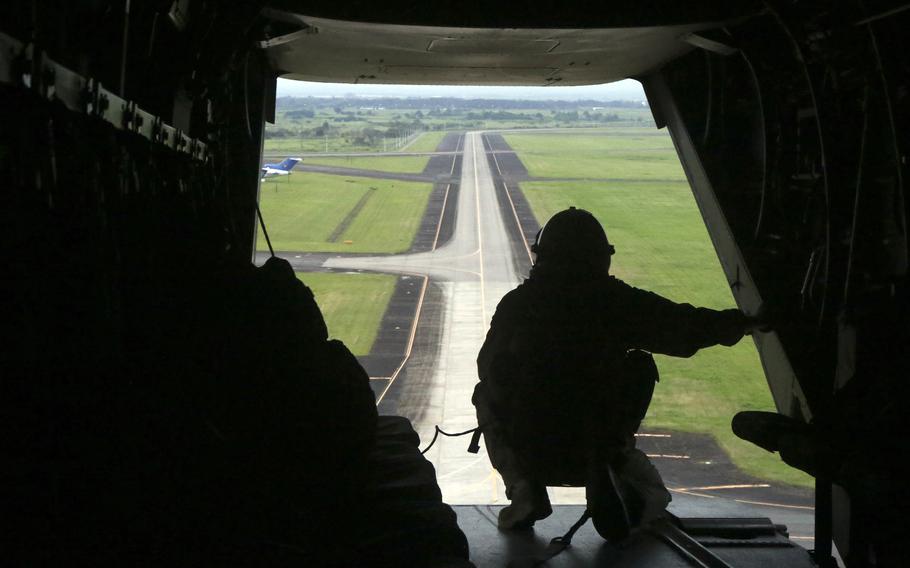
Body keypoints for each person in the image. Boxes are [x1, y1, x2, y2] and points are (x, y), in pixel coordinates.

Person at [473, 207, 762, 541]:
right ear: (601, 258)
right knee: (638, 365)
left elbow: (487, 367)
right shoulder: (618, 303)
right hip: (594, 440)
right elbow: (686, 327)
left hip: (532, 443)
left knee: (485, 391)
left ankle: (524, 488)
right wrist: (746, 322)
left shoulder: (517, 304)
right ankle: (614, 463)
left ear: (542, 256)